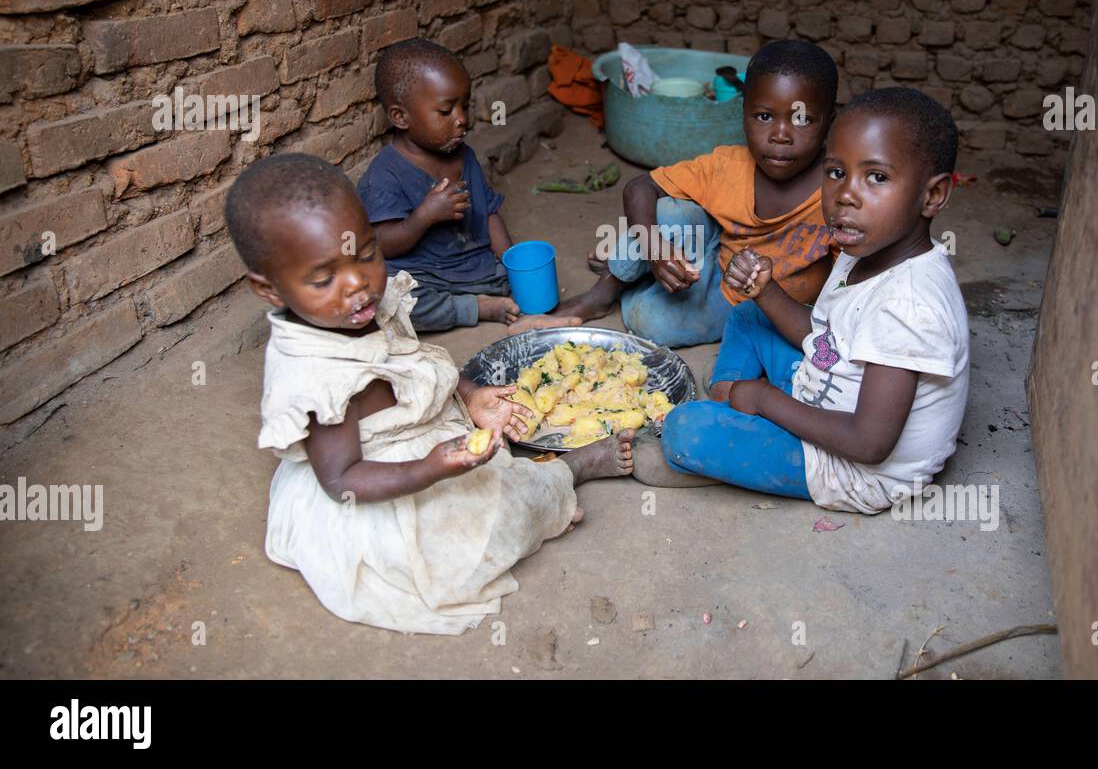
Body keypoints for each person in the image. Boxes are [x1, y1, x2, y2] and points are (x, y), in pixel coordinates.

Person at [225, 152, 633, 634]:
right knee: (489, 517)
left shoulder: (350, 307)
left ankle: (538, 489)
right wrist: (430, 469)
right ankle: (569, 472)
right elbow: (343, 481)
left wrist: (470, 393)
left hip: (416, 439)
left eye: (367, 253)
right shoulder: (315, 379)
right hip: (377, 491)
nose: (358, 283)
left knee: (490, 475)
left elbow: (408, 356)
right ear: (269, 290)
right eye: (324, 277)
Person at [656, 88, 970, 514]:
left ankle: (734, 423)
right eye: (836, 172)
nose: (845, 195)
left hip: (853, 467)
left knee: (683, 430)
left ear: (932, 196)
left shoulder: (909, 304)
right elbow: (826, 339)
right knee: (749, 314)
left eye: (876, 177)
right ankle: (733, 403)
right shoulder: (866, 247)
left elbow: (869, 443)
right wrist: (765, 291)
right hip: (825, 391)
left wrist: (767, 399)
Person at [564, 39, 840, 347]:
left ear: (829, 123)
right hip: (710, 253)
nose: (780, 135)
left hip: (743, 301)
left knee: (651, 323)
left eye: (802, 119)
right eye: (764, 116)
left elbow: (852, 283)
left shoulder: (841, 194)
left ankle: (629, 270)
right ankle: (604, 292)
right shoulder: (728, 165)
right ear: (743, 113)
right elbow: (639, 187)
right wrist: (655, 250)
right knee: (667, 212)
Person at [357, 38, 578, 333]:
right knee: (390, 300)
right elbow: (382, 243)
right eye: (446, 111)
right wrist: (425, 216)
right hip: (425, 276)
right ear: (400, 117)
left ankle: (516, 307)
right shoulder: (385, 174)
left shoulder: (465, 156)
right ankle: (477, 308)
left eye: (465, 105)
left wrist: (512, 265)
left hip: (478, 270)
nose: (462, 119)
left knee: (532, 281)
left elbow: (488, 215)